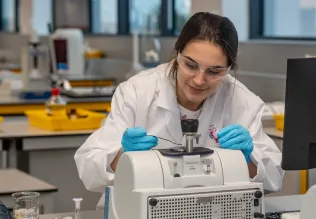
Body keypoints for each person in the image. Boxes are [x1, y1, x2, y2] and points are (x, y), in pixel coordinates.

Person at [74, 12, 284, 208]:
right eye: (191, 65)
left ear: (229, 69)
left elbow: (273, 179)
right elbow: (88, 171)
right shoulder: (138, 93)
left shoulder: (242, 103)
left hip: (214, 211)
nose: (199, 80)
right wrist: (121, 156)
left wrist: (249, 161)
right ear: (177, 54)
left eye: (214, 71)